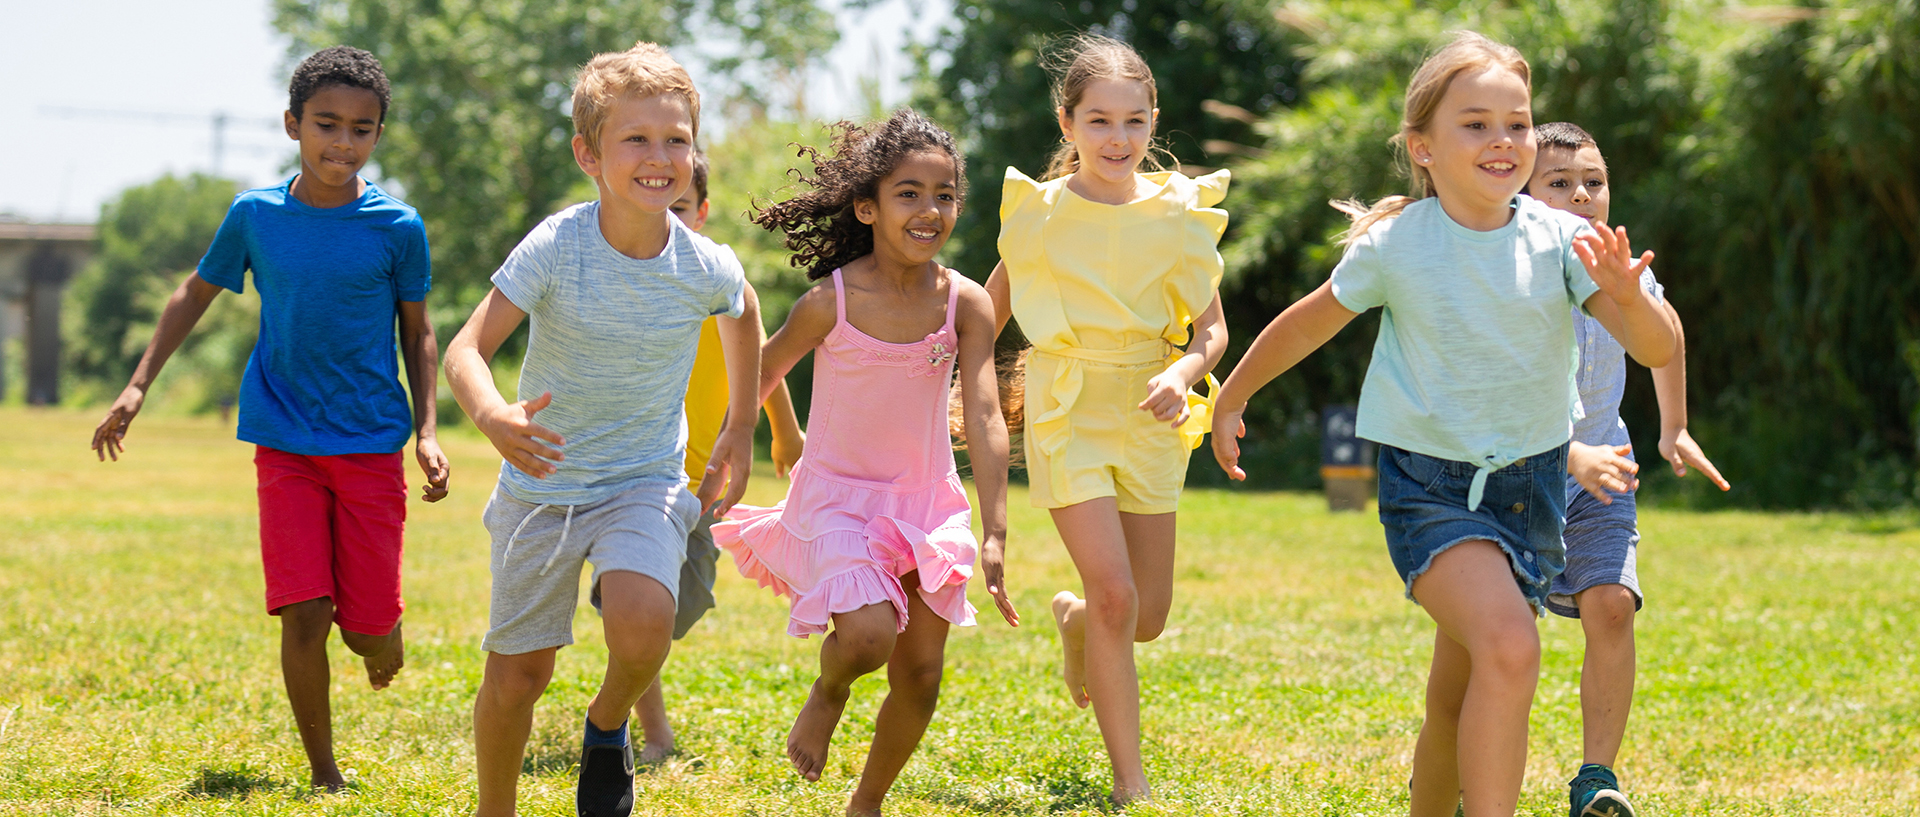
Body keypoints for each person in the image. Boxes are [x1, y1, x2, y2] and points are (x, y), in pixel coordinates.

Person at [1207, 32, 1679, 817]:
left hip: (1530, 493)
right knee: (1510, 646)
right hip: (1429, 487)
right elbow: (1306, 323)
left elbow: (1656, 344)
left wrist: (1631, 300)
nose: (1504, 141)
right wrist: (1232, 397)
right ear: (1422, 147)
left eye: (1518, 124)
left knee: (1455, 696)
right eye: (1476, 124)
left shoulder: (1564, 242)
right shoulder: (1399, 245)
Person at [88, 45, 447, 792]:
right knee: (304, 612)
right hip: (282, 437)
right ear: (293, 124)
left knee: (365, 632)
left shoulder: (397, 226)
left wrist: (428, 431)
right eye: (326, 125)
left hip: (370, 442)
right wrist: (137, 385)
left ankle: (384, 635)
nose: (341, 144)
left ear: (378, 135)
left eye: (361, 129)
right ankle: (324, 773)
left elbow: (419, 332)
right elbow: (193, 294)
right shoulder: (255, 216)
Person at [442, 42, 760, 817]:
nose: (661, 158)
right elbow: (465, 349)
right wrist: (492, 414)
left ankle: (608, 723)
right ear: (589, 154)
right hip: (543, 485)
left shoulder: (703, 264)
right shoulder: (558, 247)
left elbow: (745, 310)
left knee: (645, 625)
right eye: (637, 139)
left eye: (677, 139)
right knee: (520, 675)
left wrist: (742, 425)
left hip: (643, 480)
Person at [715, 108, 1016, 817]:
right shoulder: (832, 301)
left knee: (921, 674)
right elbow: (759, 374)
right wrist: (730, 441)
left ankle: (867, 802)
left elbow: (984, 412)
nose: (928, 209)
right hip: (838, 503)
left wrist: (996, 525)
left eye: (943, 195)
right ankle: (830, 688)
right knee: (872, 635)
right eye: (908, 193)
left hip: (926, 503)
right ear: (867, 207)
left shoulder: (966, 303)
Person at [981, 32, 1230, 804]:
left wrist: (1184, 368)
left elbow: (1214, 330)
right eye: (1098, 121)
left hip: (1151, 415)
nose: (1117, 138)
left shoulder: (1181, 213)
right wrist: (929, 382)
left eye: (1133, 120)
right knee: (1119, 594)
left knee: (1143, 615)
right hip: (1067, 409)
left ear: (1155, 120)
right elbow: (984, 314)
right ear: (1067, 124)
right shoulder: (1040, 214)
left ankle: (1076, 619)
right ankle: (1131, 782)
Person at [1525, 120, 1731, 817]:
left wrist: (1674, 427)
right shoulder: (1509, 267)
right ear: (1521, 192)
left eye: (1594, 181)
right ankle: (1462, 771)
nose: (1582, 193)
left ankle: (1596, 777)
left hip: (1603, 466)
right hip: (1511, 475)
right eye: (1560, 182)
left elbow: (1664, 335)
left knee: (1612, 605)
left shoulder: (1622, 268)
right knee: (1495, 634)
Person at [632, 149, 806, 764]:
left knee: (683, 608)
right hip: (634, 481)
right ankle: (652, 733)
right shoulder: (624, 283)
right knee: (637, 613)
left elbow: (762, 362)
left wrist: (785, 432)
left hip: (704, 485)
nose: (668, 219)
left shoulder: (714, 283)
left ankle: (634, 662)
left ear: (701, 211)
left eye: (680, 208)